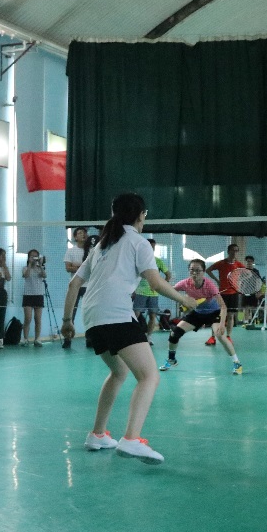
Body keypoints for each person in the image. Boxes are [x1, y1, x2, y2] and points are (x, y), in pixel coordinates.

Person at [61, 193, 202, 465]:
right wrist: (184, 300)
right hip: (116, 314)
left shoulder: (102, 245)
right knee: (149, 376)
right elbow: (156, 283)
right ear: (141, 215)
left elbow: (73, 284)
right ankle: (131, 439)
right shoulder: (138, 242)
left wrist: (67, 321)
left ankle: (98, 434)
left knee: (119, 372)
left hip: (91, 318)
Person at [159, 258, 243, 375]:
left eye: (198, 270)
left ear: (203, 272)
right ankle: (171, 359)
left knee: (220, 335)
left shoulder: (209, 285)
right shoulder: (185, 283)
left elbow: (223, 307)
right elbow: (170, 291)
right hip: (197, 313)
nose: (194, 273)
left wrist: (222, 324)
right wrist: (181, 298)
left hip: (214, 313)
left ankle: (237, 363)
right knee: (175, 333)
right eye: (192, 270)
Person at [131, 239, 170, 336]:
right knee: (135, 315)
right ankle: (133, 335)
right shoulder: (138, 260)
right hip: (140, 292)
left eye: (153, 247)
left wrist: (160, 286)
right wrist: (133, 290)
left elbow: (168, 275)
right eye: (150, 246)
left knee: (153, 316)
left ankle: (149, 337)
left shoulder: (158, 261)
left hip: (153, 294)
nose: (152, 249)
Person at [207, 243, 244, 342]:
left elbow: (247, 274)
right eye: (233, 250)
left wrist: (239, 282)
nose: (234, 252)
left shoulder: (239, 264)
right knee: (217, 316)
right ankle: (212, 337)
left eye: (236, 250)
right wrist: (217, 280)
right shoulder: (221, 263)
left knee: (231, 315)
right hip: (222, 293)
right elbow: (208, 270)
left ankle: (228, 336)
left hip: (234, 293)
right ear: (228, 251)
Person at [62, 226, 91, 349]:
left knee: (88, 312)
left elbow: (92, 267)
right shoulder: (71, 251)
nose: (83, 234)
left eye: (84, 233)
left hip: (88, 286)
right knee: (71, 313)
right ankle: (67, 339)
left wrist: (77, 266)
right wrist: (82, 267)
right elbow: (68, 268)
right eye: (80, 233)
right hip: (75, 286)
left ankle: (90, 338)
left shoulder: (91, 251)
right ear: (75, 237)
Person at [22, 248, 47, 346]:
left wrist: (40, 265)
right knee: (28, 318)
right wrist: (30, 264)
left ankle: (37, 339)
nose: (34, 258)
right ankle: (25, 339)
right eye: (32, 256)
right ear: (28, 258)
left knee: (38, 319)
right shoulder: (25, 268)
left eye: (35, 256)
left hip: (39, 295)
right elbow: (26, 275)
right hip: (28, 295)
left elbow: (44, 275)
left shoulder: (40, 268)